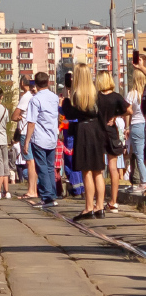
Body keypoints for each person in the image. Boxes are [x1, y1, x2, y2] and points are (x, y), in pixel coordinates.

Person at [62, 63, 107, 219]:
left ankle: (89, 208)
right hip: (97, 131)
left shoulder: (76, 95)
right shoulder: (96, 94)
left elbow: (68, 114)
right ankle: (100, 207)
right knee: (98, 171)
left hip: (83, 131)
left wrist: (66, 96)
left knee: (86, 171)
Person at [23, 71, 60, 209]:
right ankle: (52, 194)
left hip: (39, 138)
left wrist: (27, 141)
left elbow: (31, 122)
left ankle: (47, 197)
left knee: (42, 168)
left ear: (36, 84)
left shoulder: (35, 100)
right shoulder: (55, 97)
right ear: (48, 82)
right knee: (50, 168)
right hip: (52, 138)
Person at [96, 70, 129, 213]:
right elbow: (130, 110)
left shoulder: (96, 97)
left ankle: (99, 200)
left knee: (98, 169)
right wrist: (116, 116)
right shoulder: (116, 97)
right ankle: (113, 202)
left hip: (97, 133)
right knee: (113, 168)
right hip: (112, 134)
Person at [13, 79, 38, 200]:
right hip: (36, 132)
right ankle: (34, 189)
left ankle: (31, 190)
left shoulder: (26, 96)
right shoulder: (37, 95)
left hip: (25, 132)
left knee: (30, 162)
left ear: (23, 84)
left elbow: (14, 115)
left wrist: (18, 117)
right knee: (34, 161)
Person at [127, 68, 146, 194]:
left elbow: (128, 111)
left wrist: (127, 127)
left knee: (139, 155)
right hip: (145, 123)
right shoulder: (144, 93)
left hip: (136, 125)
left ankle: (143, 182)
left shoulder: (132, 94)